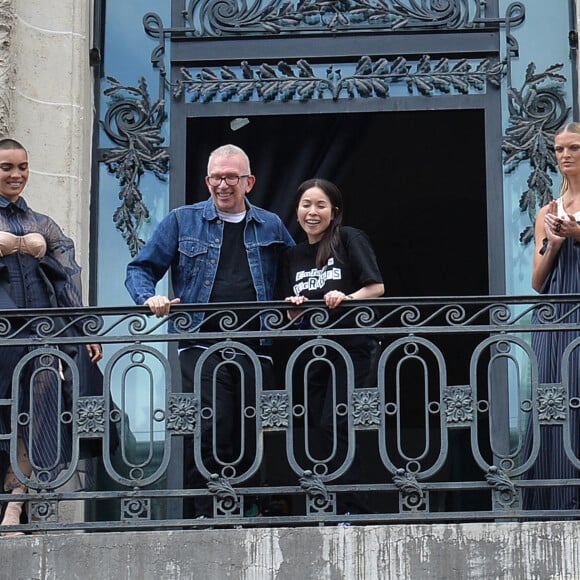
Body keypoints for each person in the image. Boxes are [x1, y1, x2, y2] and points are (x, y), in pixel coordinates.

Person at [125, 144, 294, 518]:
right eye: (216, 176)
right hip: (201, 340)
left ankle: (247, 508)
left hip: (256, 342)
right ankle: (206, 510)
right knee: (210, 422)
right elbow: (139, 268)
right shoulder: (181, 221)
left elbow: (295, 273)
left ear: (248, 182)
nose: (222, 184)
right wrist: (149, 298)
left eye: (231, 177)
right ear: (206, 180)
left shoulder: (271, 225)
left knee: (252, 424)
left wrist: (299, 300)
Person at [0, 138, 104, 535]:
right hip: (2, 337)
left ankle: (16, 502)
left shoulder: (42, 222)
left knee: (44, 392)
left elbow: (66, 281)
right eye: (7, 167)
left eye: (22, 166)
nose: (16, 175)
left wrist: (82, 326)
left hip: (37, 336)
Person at [281, 178, 384, 514]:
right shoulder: (294, 254)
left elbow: (376, 287)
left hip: (351, 348)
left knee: (337, 421)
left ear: (334, 211)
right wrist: (294, 306)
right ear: (297, 211)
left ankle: (353, 505)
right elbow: (289, 313)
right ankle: (332, 499)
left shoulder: (348, 238)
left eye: (321, 205)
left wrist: (346, 297)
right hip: (313, 353)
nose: (313, 212)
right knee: (317, 425)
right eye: (306, 205)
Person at [524, 122, 580, 510]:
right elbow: (537, 281)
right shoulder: (547, 209)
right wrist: (556, 243)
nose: (565, 156)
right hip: (556, 312)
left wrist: (576, 232)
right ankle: (554, 502)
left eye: (574, 148)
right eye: (559, 149)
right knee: (554, 398)